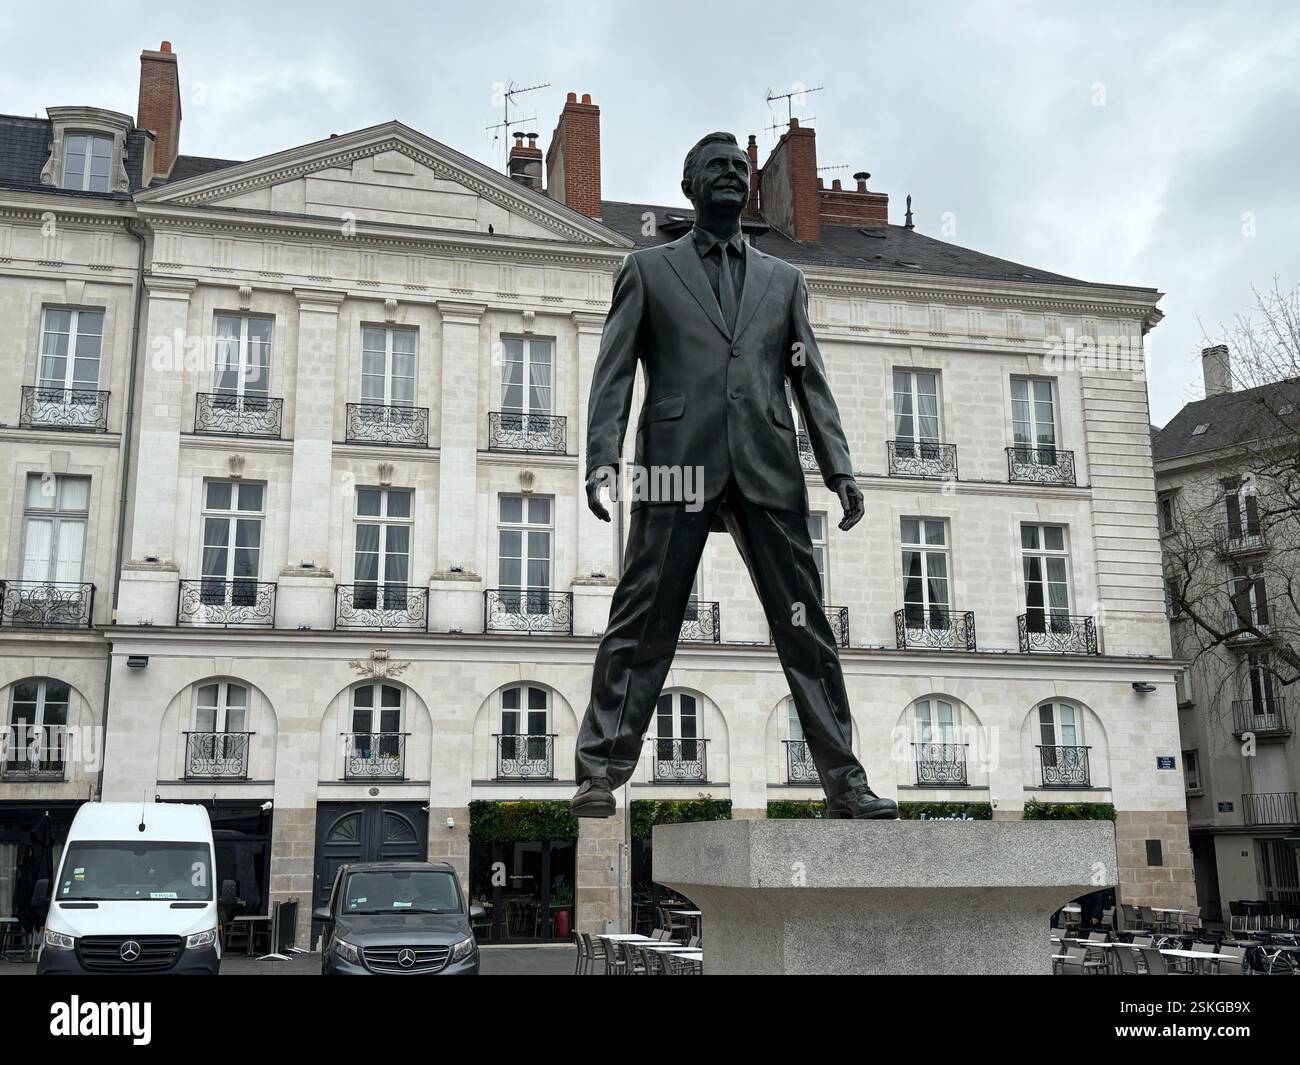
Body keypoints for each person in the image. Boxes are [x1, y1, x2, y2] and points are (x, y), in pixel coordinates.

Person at [570, 131, 898, 822]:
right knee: (642, 614)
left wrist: (839, 468)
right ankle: (599, 769)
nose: (730, 174)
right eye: (715, 166)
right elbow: (614, 371)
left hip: (767, 463)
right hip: (675, 464)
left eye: (739, 168)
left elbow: (810, 379)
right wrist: (603, 457)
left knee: (805, 626)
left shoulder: (787, 281)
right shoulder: (647, 268)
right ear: (690, 185)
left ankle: (844, 779)